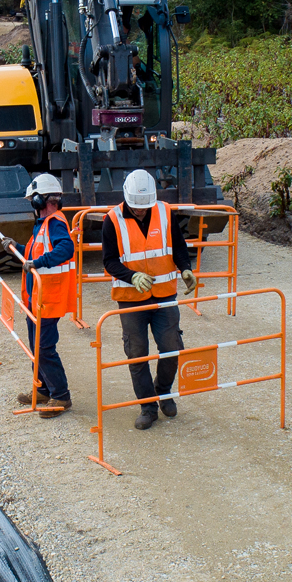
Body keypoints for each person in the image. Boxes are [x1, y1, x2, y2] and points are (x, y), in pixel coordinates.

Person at [100, 169, 198, 430]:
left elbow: (178, 246)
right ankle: (148, 406)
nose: (141, 211)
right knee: (136, 354)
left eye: (145, 207)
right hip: (131, 299)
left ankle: (163, 391)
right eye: (136, 207)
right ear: (126, 200)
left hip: (165, 296)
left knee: (172, 348)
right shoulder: (112, 220)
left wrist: (185, 267)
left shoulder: (165, 212)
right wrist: (131, 276)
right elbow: (109, 261)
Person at [5, 173, 75, 416]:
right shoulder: (43, 226)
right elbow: (34, 252)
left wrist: (37, 262)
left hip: (48, 298)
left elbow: (66, 248)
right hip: (36, 299)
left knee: (44, 348)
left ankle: (61, 396)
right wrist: (17, 249)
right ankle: (43, 389)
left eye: (32, 201)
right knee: (36, 347)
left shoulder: (55, 222)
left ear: (40, 200)